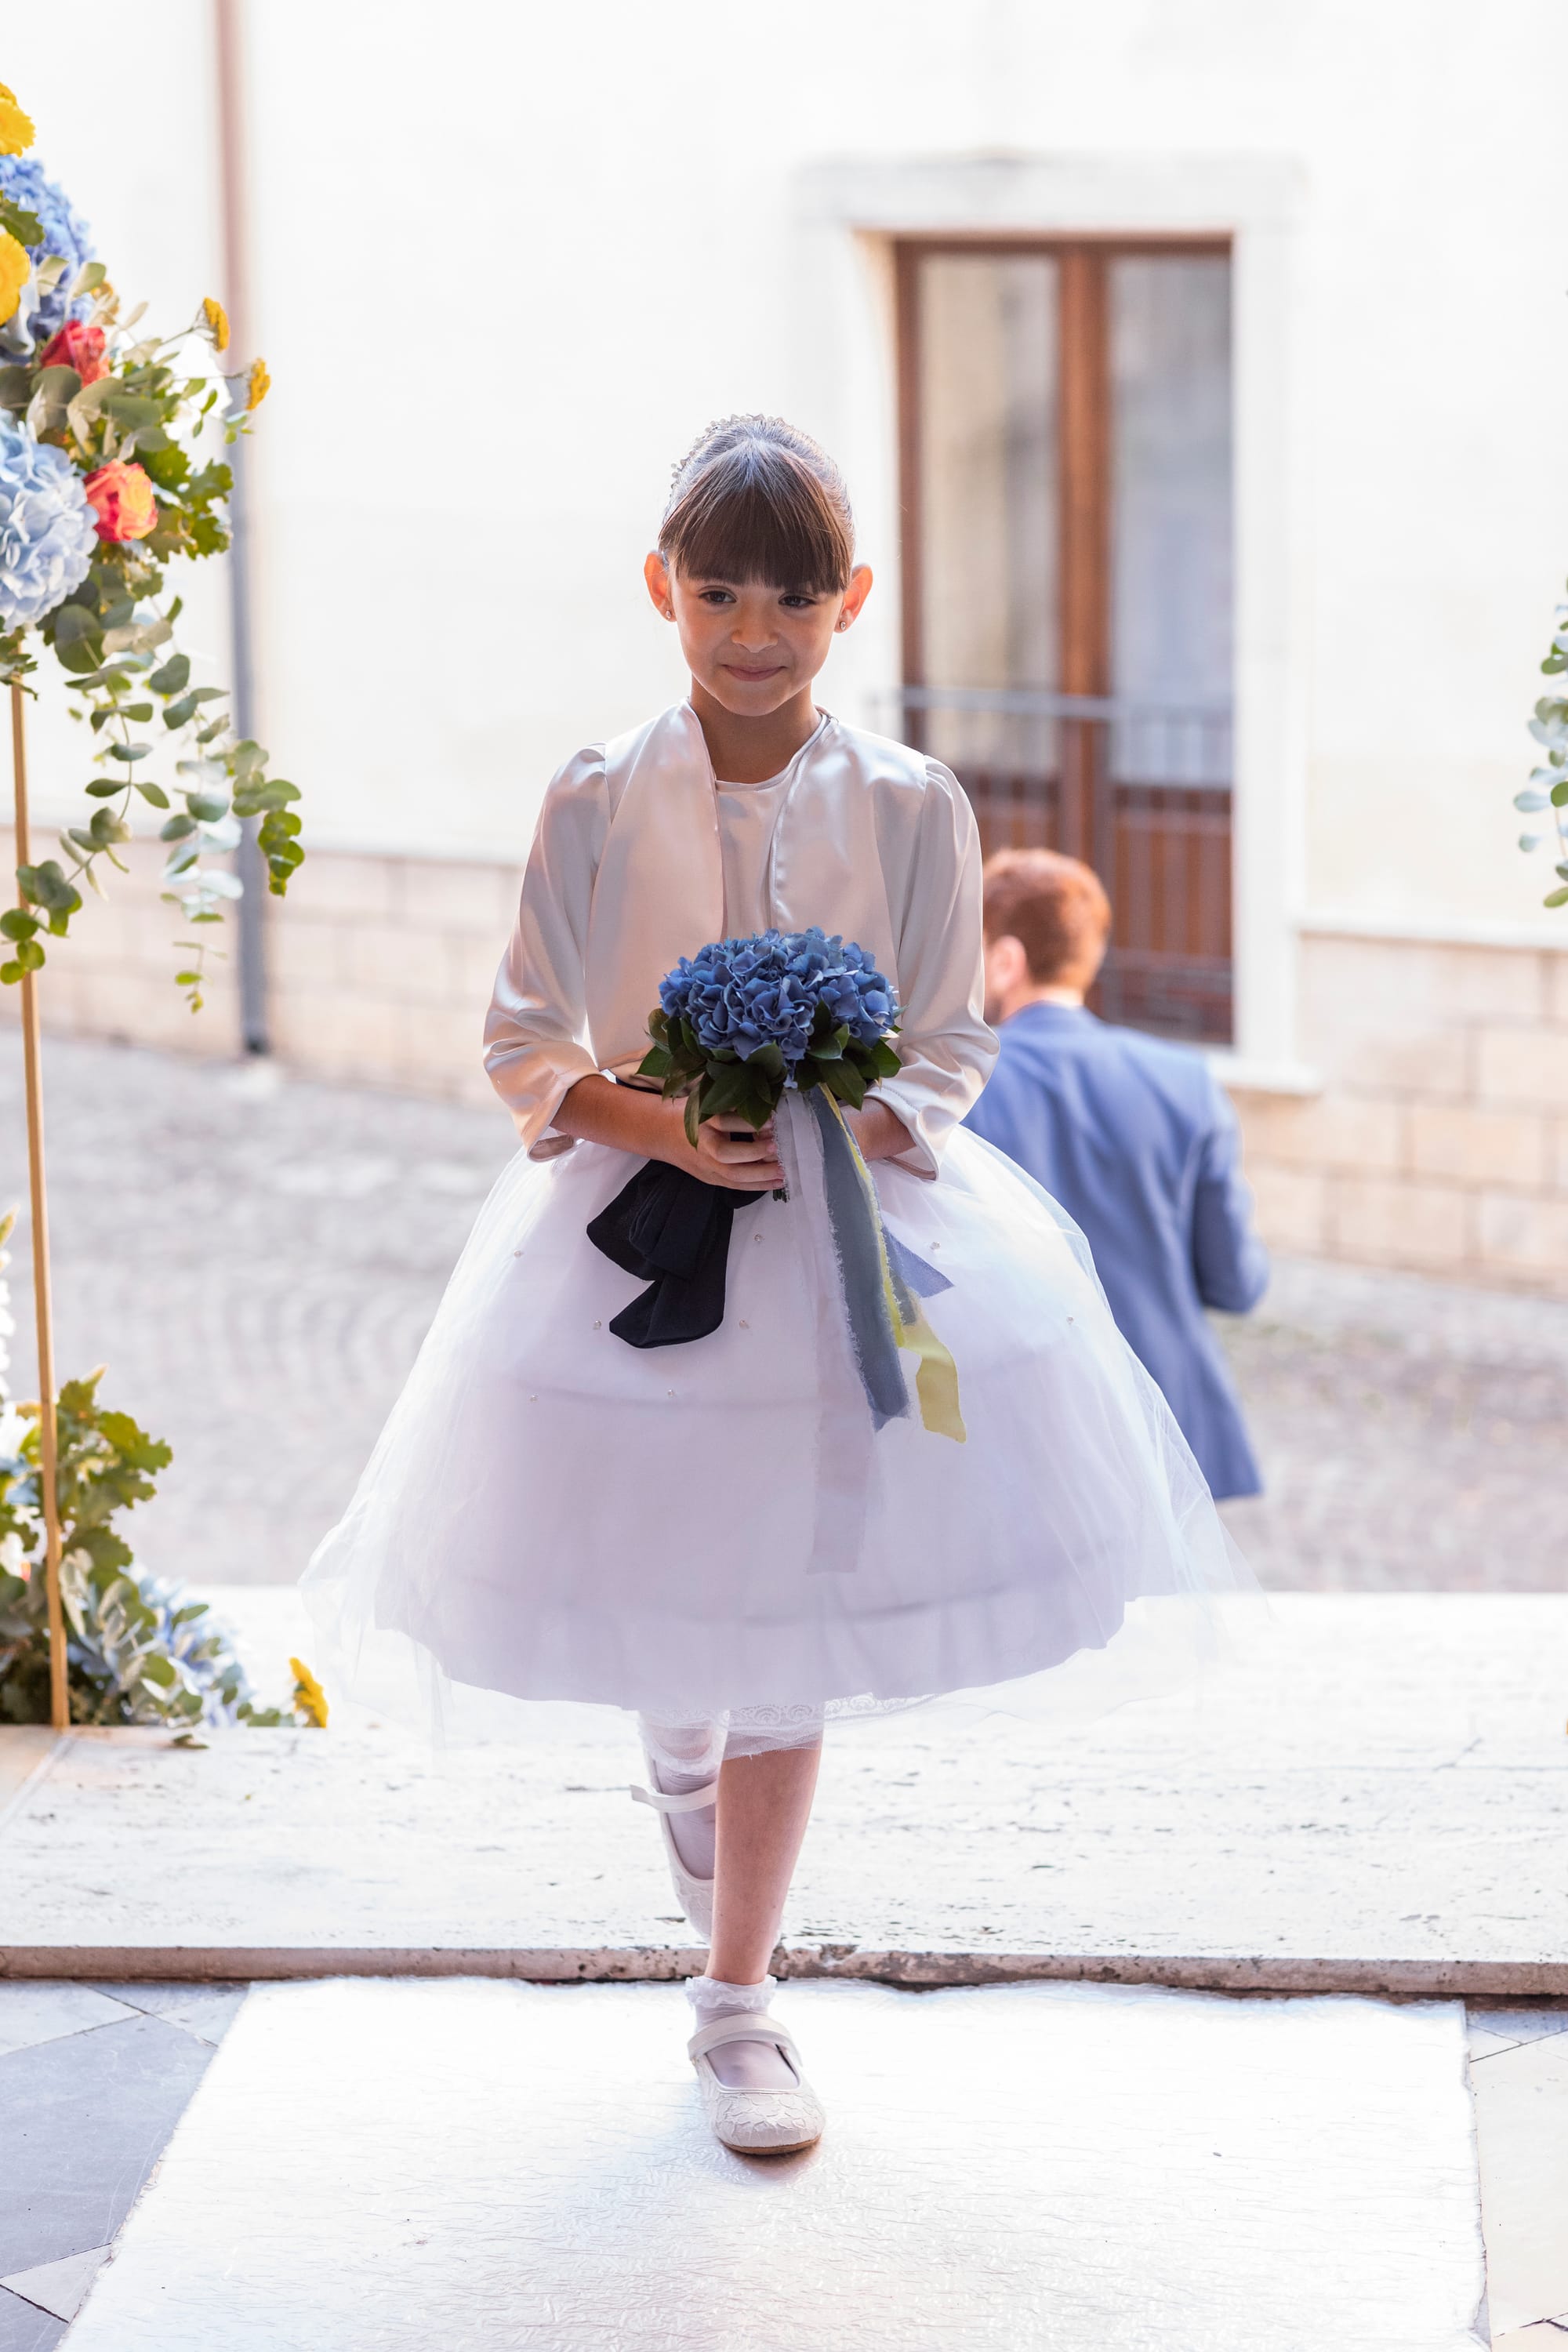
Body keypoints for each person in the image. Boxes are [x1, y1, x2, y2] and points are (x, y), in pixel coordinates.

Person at [304, 417, 1253, 2159]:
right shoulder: (594, 794)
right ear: (663, 591)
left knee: (797, 1618)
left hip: (854, 1222)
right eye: (722, 589)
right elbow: (523, 1039)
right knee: (683, 1584)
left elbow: (957, 1031)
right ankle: (681, 1754)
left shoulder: (914, 801)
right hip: (631, 1224)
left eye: (794, 595)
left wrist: (871, 1117)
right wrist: (661, 1122)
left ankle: (736, 2006)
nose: (756, 627)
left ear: (851, 603)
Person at [964, 848, 1268, 1501]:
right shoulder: (1185, 1081)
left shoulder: (960, 1091)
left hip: (1024, 1424)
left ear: (1006, 959)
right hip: (1169, 1428)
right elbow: (1237, 1283)